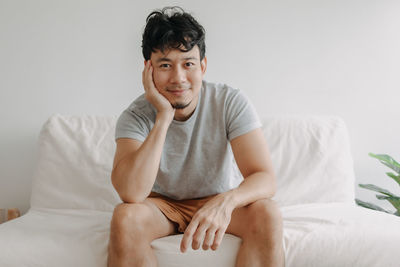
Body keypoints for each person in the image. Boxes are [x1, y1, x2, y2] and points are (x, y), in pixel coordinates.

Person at [107, 6, 284, 267]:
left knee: (268, 213)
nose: (178, 78)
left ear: (202, 66)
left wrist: (227, 201)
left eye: (188, 64)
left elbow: (265, 178)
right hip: (161, 209)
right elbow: (131, 193)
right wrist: (163, 116)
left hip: (217, 199)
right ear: (149, 69)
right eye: (165, 65)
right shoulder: (135, 115)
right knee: (125, 217)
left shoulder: (229, 101)